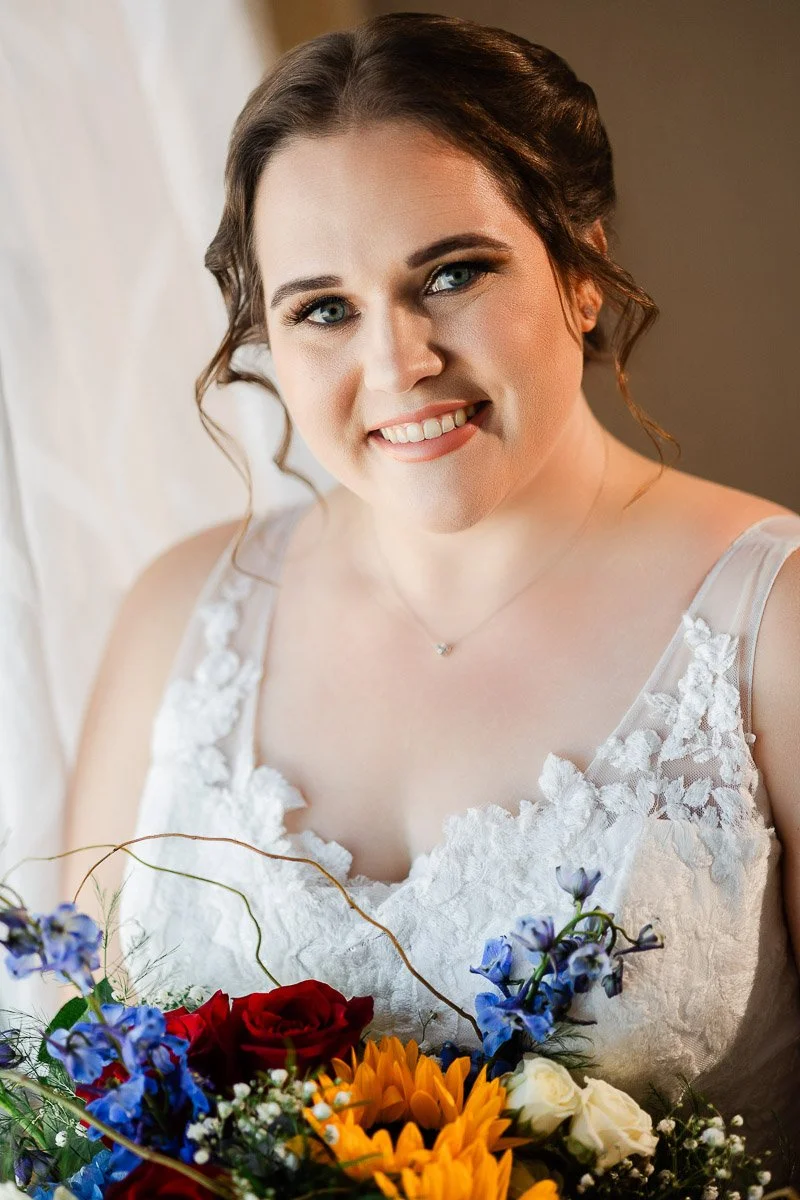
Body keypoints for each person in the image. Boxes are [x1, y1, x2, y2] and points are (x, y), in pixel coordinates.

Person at [63, 12, 800, 1181]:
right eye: (322, 308)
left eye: (450, 275)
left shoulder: (775, 625)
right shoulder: (175, 616)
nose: (398, 363)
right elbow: (68, 1100)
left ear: (580, 272)